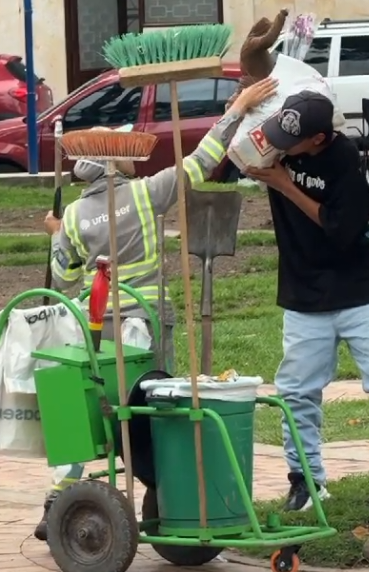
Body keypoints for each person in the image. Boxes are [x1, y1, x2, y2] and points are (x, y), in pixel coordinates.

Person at [33, 76, 278, 540]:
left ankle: (59, 500)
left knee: (91, 411)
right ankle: (162, 485)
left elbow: (64, 280)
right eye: (124, 149)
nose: (132, 153)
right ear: (112, 164)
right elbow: (203, 162)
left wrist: (56, 235)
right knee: (147, 409)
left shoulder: (73, 218)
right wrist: (236, 112)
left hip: (94, 334)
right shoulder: (147, 193)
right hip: (143, 327)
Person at [246, 90, 369, 511]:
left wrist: (285, 185)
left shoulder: (344, 159)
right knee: (296, 391)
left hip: (358, 285)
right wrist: (241, 106)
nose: (280, 143)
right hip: (302, 288)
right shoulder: (276, 145)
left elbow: (339, 228)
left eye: (291, 139)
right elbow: (234, 144)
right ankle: (304, 479)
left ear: (318, 139)